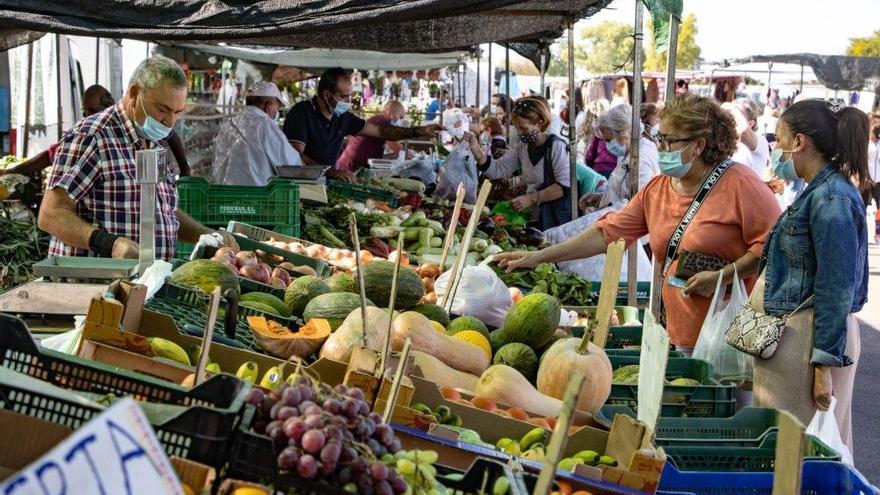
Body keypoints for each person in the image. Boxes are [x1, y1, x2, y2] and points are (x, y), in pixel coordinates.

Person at [495, 93, 781, 356]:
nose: (662, 149)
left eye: (669, 141)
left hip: (730, 335)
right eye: (660, 140)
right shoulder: (658, 190)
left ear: (699, 145)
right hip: (678, 331)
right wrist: (539, 256)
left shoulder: (741, 185)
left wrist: (725, 276)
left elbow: (773, 246)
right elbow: (606, 233)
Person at [751, 99, 870, 453]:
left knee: (800, 454)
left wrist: (822, 366)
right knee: (790, 451)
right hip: (797, 338)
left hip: (808, 342)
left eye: (779, 139)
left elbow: (835, 287)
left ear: (799, 142)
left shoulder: (831, 199)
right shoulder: (818, 191)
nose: (774, 148)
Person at [38, 56, 236, 261]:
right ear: (134, 93)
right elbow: (50, 214)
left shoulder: (152, 140)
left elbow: (163, 212)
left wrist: (206, 235)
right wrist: (110, 244)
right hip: (94, 284)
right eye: (162, 109)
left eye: (177, 112)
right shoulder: (93, 136)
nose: (169, 122)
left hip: (145, 281)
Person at [282, 68, 442, 182]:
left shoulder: (343, 117)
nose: (347, 102)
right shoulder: (301, 113)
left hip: (326, 181)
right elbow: (294, 156)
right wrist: (330, 171)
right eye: (343, 97)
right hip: (301, 184)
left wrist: (419, 131)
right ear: (326, 94)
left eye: (349, 97)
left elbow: (382, 132)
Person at [1, 85, 192, 178]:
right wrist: (11, 172)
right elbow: (46, 158)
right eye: (85, 111)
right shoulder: (86, 136)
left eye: (91, 110)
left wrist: (184, 168)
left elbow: (170, 134)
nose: (86, 116)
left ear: (108, 104)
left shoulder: (137, 126)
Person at [465, 96, 573, 230]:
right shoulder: (523, 147)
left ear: (539, 123)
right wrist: (477, 153)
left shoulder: (556, 147)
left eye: (524, 128)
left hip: (557, 218)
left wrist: (531, 198)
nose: (520, 133)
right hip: (535, 216)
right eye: (518, 128)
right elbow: (498, 169)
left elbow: (564, 186)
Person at [214, 81, 302, 186]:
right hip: (258, 198)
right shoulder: (265, 126)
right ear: (269, 106)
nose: (277, 113)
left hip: (224, 196)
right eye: (277, 108)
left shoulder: (228, 125)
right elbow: (290, 165)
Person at [579, 103, 659, 210]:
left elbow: (639, 204)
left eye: (608, 140)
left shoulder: (643, 157)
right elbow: (619, 192)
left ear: (624, 133)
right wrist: (600, 198)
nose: (607, 145)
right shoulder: (626, 154)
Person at [336, 100, 407, 173]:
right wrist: (411, 155)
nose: (400, 121)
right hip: (351, 169)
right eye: (400, 117)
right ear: (393, 112)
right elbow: (399, 149)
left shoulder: (376, 119)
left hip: (348, 165)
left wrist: (393, 156)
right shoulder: (383, 124)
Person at [726, 99, 770, 179]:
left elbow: (743, 131)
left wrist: (734, 108)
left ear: (751, 123)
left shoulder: (760, 140)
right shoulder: (728, 140)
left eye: (736, 116)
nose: (731, 118)